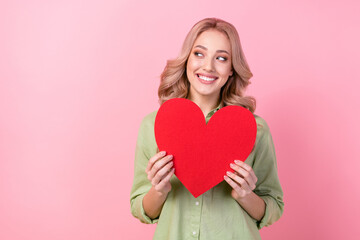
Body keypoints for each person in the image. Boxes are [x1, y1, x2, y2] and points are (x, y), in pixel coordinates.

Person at [130, 17, 284, 240]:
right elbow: (141, 209)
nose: (208, 66)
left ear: (232, 69)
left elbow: (274, 207)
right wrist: (159, 190)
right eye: (199, 54)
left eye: (221, 58)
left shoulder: (256, 130)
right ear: (187, 60)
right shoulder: (153, 125)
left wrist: (244, 195)